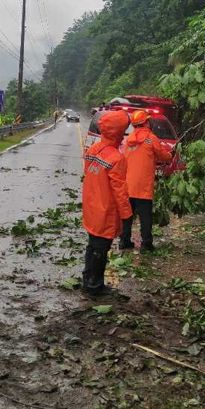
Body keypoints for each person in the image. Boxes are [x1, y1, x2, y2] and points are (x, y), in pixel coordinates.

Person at [81, 110, 132, 296]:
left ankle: (87, 279)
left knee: (92, 245)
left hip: (91, 207)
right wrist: (127, 215)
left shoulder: (93, 150)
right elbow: (120, 192)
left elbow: (88, 173)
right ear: (119, 133)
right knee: (101, 249)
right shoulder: (116, 158)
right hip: (105, 211)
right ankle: (95, 285)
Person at [120, 110, 173, 253]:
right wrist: (170, 156)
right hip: (143, 186)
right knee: (145, 217)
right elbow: (163, 156)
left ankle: (124, 241)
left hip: (128, 185)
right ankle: (146, 243)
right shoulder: (151, 138)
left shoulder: (128, 139)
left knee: (127, 215)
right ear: (146, 123)